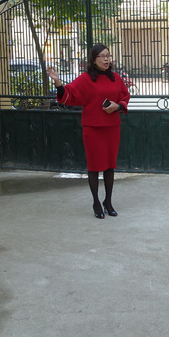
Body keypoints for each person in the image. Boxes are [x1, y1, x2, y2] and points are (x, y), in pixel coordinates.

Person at [47, 44, 130, 219]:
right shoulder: (85, 79)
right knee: (94, 167)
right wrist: (57, 82)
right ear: (93, 59)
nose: (107, 59)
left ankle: (108, 201)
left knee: (109, 166)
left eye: (108, 55)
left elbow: (125, 96)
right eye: (102, 56)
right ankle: (96, 202)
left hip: (112, 128)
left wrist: (118, 106)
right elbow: (68, 94)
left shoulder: (115, 78)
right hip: (92, 129)